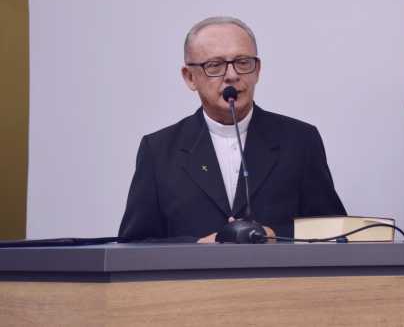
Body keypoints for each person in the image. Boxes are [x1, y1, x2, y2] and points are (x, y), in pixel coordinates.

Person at [118, 16, 346, 242]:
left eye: (243, 62)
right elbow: (134, 245)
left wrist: (276, 236)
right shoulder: (158, 151)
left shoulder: (300, 141)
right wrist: (195, 247)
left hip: (275, 268)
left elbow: (335, 232)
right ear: (190, 78)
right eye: (214, 65)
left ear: (257, 70)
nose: (232, 75)